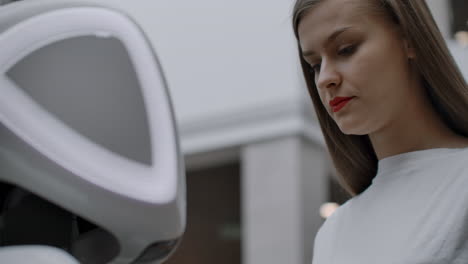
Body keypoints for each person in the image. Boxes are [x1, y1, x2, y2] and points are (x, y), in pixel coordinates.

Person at [292, 0, 468, 263]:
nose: (324, 78)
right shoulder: (332, 233)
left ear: (409, 39)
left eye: (345, 49)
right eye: (315, 65)